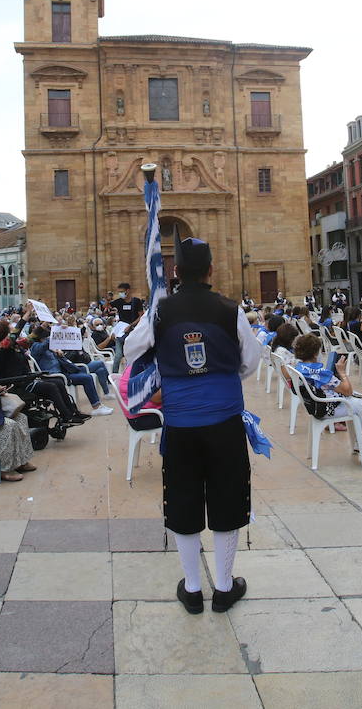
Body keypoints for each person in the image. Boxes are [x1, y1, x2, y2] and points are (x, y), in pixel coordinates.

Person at [123, 236, 264, 614]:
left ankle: (192, 587)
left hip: (181, 424)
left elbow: (129, 350)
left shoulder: (160, 311)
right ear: (211, 270)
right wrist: (217, 375)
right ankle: (223, 587)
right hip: (224, 422)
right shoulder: (230, 309)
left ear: (175, 271)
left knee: (183, 499)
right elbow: (250, 361)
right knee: (227, 497)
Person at [291, 333, 362, 460]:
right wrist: (341, 372)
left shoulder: (299, 368)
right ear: (315, 353)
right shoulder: (320, 373)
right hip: (330, 407)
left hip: (316, 406)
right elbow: (347, 391)